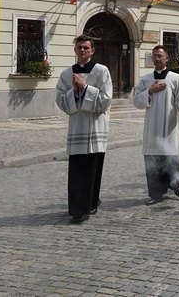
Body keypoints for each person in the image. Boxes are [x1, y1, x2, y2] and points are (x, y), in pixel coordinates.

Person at [55, 35, 113, 224]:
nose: (82, 51)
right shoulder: (66, 74)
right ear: (75, 50)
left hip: (95, 126)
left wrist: (85, 88)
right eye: (79, 47)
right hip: (77, 126)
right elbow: (61, 100)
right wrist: (75, 91)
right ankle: (78, 209)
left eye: (86, 48)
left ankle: (91, 203)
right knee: (78, 169)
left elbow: (106, 99)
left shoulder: (102, 71)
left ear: (92, 51)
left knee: (94, 167)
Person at [132, 45, 179, 205]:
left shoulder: (175, 78)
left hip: (169, 124)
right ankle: (156, 194)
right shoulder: (146, 79)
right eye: (154, 56)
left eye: (160, 56)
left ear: (167, 59)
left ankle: (177, 184)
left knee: (170, 155)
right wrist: (149, 91)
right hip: (152, 125)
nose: (157, 59)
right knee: (153, 158)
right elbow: (136, 101)